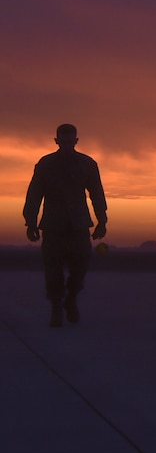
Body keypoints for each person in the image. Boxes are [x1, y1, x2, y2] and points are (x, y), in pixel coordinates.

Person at [23, 123, 108, 327]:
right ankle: (56, 308)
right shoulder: (45, 164)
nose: (67, 145)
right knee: (53, 270)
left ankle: (70, 298)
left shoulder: (87, 164)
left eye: (70, 141)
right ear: (57, 141)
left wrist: (102, 220)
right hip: (53, 226)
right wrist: (31, 222)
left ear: (76, 141)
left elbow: (96, 193)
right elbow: (34, 194)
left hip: (78, 225)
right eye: (64, 141)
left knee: (80, 267)